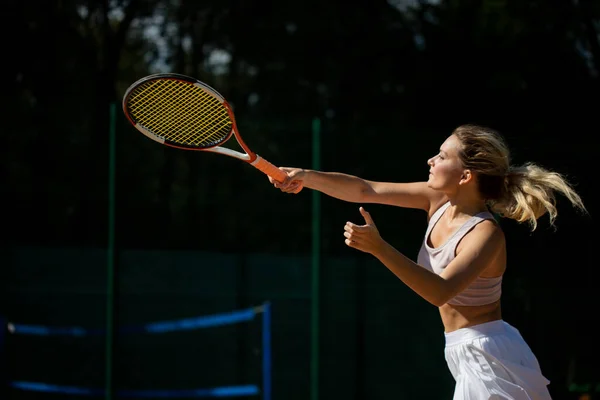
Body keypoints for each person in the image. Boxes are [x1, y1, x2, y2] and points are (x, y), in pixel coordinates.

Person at [269, 124, 587, 400]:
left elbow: (441, 291)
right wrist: (306, 177)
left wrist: (379, 248)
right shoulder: (437, 200)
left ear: (466, 175)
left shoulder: (486, 234)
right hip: (463, 351)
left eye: (442, 156)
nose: (431, 161)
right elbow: (366, 189)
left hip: (490, 355)